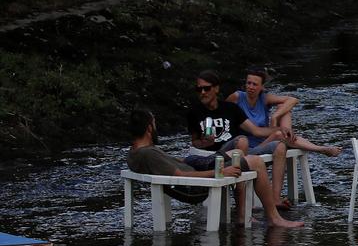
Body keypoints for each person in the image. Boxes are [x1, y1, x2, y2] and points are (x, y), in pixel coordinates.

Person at [127, 108, 303, 228]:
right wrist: (221, 172)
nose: (156, 127)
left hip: (194, 166)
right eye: (154, 124)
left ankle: (243, 215)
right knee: (256, 162)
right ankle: (274, 218)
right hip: (196, 186)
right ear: (149, 128)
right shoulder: (148, 153)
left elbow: (173, 165)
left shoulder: (136, 152)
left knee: (238, 151)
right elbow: (180, 174)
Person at [187, 69, 290, 211]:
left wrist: (281, 129)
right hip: (213, 158)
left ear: (216, 89)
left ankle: (272, 200)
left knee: (275, 145)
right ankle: (243, 209)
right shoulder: (194, 112)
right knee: (242, 143)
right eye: (199, 89)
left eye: (206, 88)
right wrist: (204, 143)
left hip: (237, 153)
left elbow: (256, 131)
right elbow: (195, 143)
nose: (202, 92)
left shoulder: (230, 108)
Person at [229, 65, 341, 157]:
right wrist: (280, 129)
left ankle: (289, 135)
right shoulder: (237, 97)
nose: (250, 87)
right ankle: (320, 149)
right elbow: (255, 131)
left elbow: (293, 100)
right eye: (248, 83)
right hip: (249, 149)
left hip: (266, 141)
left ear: (262, 87)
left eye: (255, 84)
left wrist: (275, 116)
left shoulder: (264, 98)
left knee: (284, 110)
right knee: (279, 134)